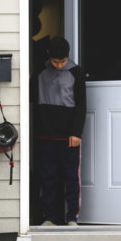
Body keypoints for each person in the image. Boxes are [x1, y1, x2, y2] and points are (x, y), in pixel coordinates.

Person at [34, 37, 86, 226]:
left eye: (62, 61)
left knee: (70, 176)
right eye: (55, 61)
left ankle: (71, 217)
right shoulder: (40, 71)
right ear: (49, 56)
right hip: (45, 132)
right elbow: (33, 99)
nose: (58, 65)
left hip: (68, 135)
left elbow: (81, 105)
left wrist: (76, 132)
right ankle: (49, 217)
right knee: (47, 176)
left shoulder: (76, 72)